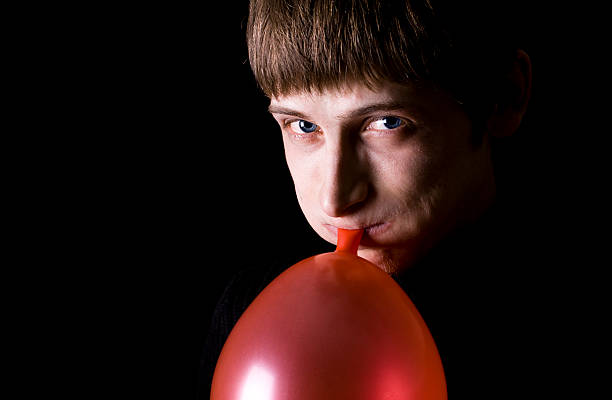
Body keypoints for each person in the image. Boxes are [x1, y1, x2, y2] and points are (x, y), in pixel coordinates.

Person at [198, 0, 545, 397]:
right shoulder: (249, 309)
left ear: (503, 96)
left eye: (387, 122)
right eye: (304, 125)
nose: (335, 198)